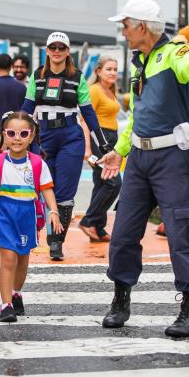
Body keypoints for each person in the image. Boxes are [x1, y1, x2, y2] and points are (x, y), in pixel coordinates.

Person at [99, 0, 189, 337]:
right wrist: (120, 151)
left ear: (141, 27)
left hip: (172, 158)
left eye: (125, 25)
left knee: (181, 233)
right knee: (123, 234)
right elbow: (138, 116)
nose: (123, 32)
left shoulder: (174, 52)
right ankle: (120, 300)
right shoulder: (139, 62)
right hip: (139, 160)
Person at [21, 31, 112, 261]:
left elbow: (88, 113)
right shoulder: (37, 76)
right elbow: (27, 108)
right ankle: (40, 232)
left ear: (68, 51)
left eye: (61, 47)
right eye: (53, 47)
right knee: (44, 187)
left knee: (64, 192)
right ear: (47, 50)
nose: (57, 51)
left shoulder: (77, 77)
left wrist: (102, 142)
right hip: (44, 137)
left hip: (70, 137)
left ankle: (56, 242)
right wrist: (15, 136)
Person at [0, 111, 61, 322]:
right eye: (11, 133)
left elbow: (46, 189)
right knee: (8, 258)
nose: (17, 138)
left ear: (32, 136)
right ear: (4, 135)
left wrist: (54, 211)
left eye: (23, 133)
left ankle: (15, 293)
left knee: (22, 259)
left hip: (27, 215)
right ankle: (6, 306)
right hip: (4, 214)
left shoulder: (38, 163)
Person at [77, 56, 122, 242]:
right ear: (98, 71)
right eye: (108, 69)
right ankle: (88, 221)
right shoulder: (94, 90)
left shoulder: (111, 91)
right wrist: (87, 147)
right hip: (98, 139)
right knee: (113, 183)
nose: (113, 73)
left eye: (115, 69)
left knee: (101, 183)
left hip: (110, 140)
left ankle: (98, 228)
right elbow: (84, 119)